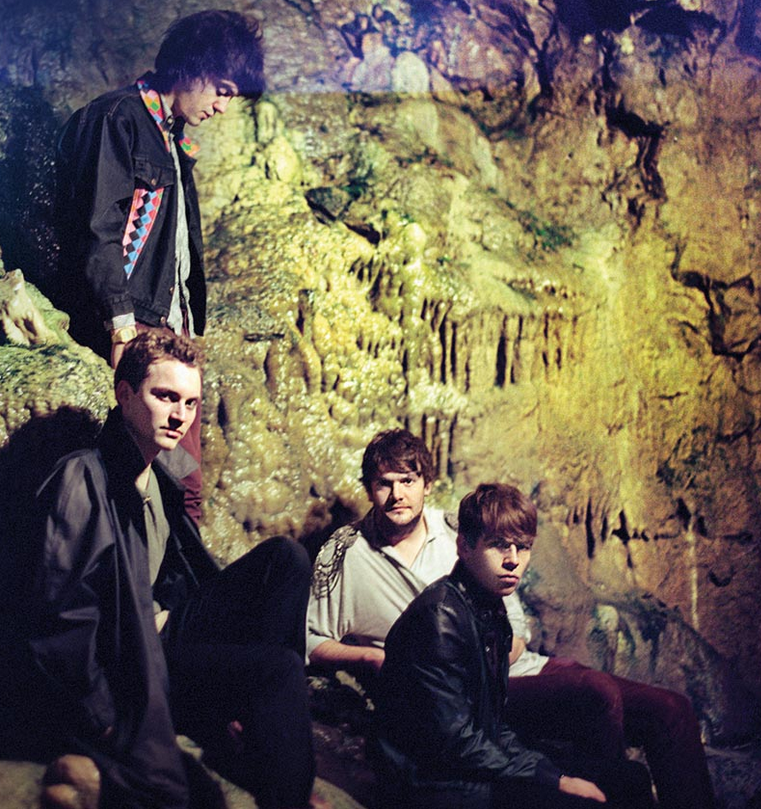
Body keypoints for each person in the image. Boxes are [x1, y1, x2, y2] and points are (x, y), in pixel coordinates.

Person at [307, 428, 716, 809]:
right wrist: (372, 658)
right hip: (449, 694)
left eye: (408, 481)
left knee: (671, 709)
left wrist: (490, 660)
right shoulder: (346, 553)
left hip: (511, 672)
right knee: (596, 696)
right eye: (385, 483)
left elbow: (515, 627)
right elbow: (309, 639)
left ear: (427, 484)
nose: (398, 494)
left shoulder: (459, 531)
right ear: (368, 488)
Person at [1, 332, 316, 809]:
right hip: (129, 663)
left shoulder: (161, 476)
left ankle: (251, 721)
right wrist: (105, 721)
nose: (179, 415)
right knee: (279, 671)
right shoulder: (83, 478)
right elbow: (59, 618)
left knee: (285, 560)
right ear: (125, 394)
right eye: (165, 396)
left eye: (190, 402)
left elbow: (174, 572)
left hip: (161, 632)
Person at [55, 9, 265, 522]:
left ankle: (173, 572)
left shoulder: (171, 140)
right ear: (194, 67)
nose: (222, 106)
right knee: (137, 479)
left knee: (183, 485)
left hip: (172, 333)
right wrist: (120, 325)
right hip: (134, 329)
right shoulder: (119, 118)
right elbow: (98, 229)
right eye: (221, 90)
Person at [373, 482, 655, 809]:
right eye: (499, 546)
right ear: (464, 546)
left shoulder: (490, 607)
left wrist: (545, 770)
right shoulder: (439, 618)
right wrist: (554, 780)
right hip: (427, 783)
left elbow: (490, 725)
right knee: (583, 799)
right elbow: (456, 740)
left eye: (522, 547)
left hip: (464, 763)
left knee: (628, 779)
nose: (513, 560)